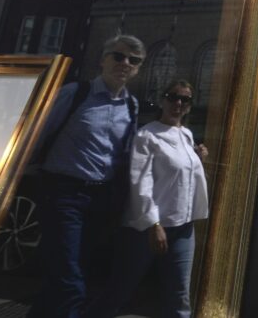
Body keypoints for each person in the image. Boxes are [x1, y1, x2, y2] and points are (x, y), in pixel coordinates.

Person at [29, 34, 144, 318]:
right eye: (118, 56)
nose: (125, 63)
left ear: (138, 69)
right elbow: (36, 135)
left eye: (134, 60)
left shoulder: (132, 106)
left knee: (69, 271)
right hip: (63, 194)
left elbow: (126, 154)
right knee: (71, 283)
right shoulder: (75, 93)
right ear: (102, 59)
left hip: (100, 199)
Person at [87, 80, 209, 318]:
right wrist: (154, 223)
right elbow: (141, 183)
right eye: (173, 97)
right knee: (120, 290)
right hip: (146, 229)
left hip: (183, 227)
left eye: (185, 99)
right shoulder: (147, 135)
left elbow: (182, 175)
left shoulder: (186, 134)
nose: (178, 103)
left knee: (179, 295)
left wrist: (198, 159)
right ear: (163, 99)